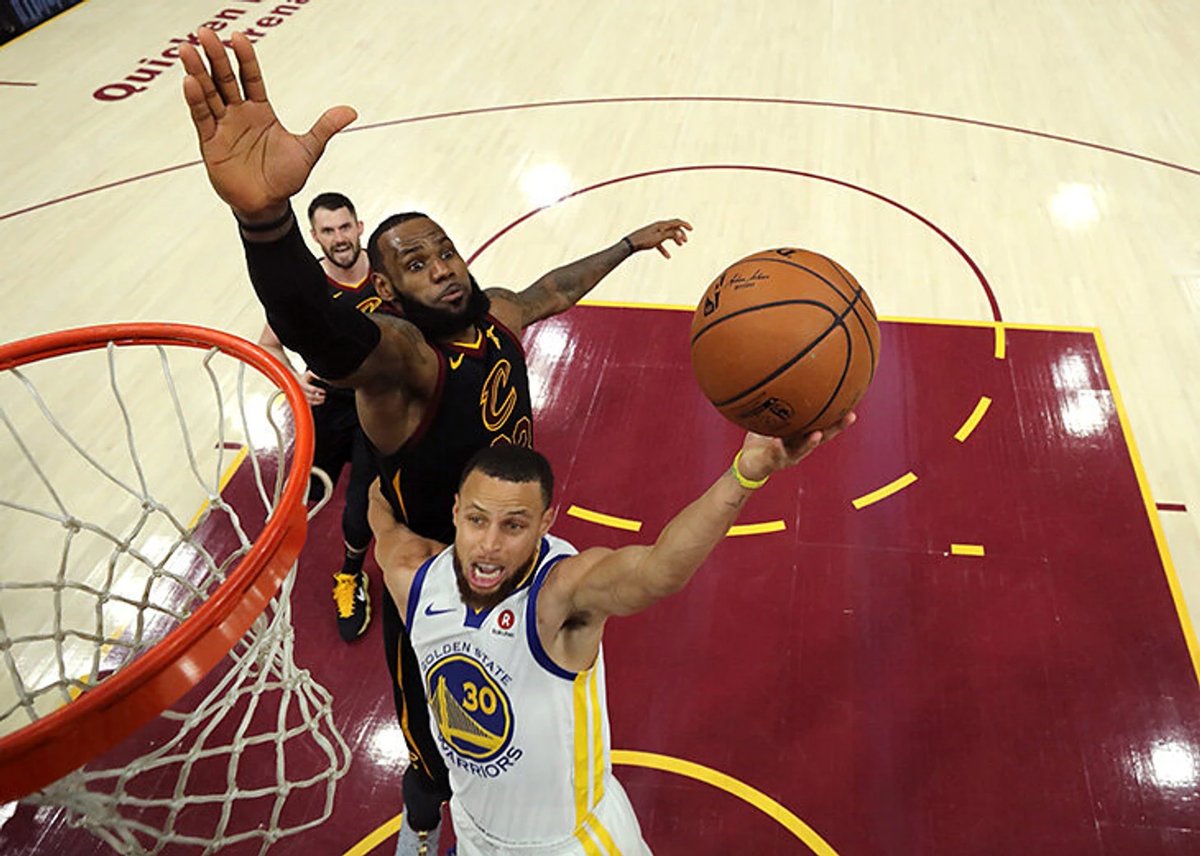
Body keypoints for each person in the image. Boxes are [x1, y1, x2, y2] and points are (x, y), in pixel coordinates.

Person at [179, 28, 692, 855]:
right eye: (417, 265)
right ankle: (421, 839)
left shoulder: (486, 313)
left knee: (537, 711)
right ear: (387, 289)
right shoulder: (402, 360)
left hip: (511, 544)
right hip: (435, 579)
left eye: (444, 252)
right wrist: (265, 223)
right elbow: (320, 330)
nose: (443, 269)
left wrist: (628, 245)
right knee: (438, 741)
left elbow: (549, 289)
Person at [369, 421, 855, 854]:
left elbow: (657, 570)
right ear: (455, 512)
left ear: (545, 524)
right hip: (474, 832)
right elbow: (378, 508)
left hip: (574, 845)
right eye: (477, 520)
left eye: (514, 525)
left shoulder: (559, 597)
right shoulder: (413, 577)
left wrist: (745, 474)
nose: (490, 544)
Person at [258, 192, 381, 642]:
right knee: (309, 488)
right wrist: (293, 382)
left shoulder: (386, 269)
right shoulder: (307, 285)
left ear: (359, 226)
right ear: (314, 236)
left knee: (361, 505)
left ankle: (351, 574)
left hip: (377, 404)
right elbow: (267, 343)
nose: (339, 238)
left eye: (345, 227)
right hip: (328, 404)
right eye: (328, 231)